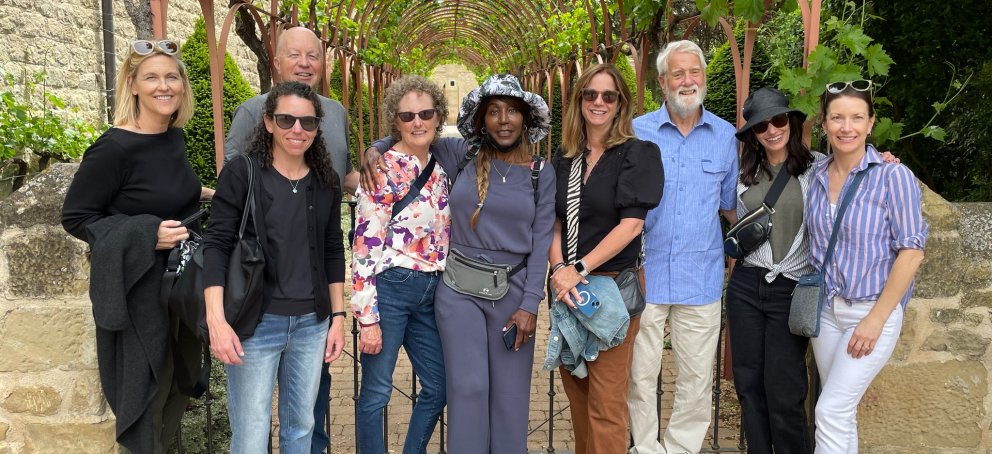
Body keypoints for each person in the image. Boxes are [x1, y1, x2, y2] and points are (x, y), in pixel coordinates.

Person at [361, 73, 555, 453]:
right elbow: (414, 135)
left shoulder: (540, 173)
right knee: (467, 388)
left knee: (510, 396)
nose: (503, 119)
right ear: (481, 120)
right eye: (493, 111)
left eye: (512, 111)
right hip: (458, 292)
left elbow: (541, 240)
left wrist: (530, 303)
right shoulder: (460, 154)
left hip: (513, 294)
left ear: (526, 119)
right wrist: (376, 147)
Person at [61, 38, 210, 453]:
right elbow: (76, 217)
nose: (164, 86)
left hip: (178, 286)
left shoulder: (172, 137)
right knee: (147, 396)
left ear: (182, 85)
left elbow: (165, 189)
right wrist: (148, 234)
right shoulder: (113, 148)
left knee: (178, 387)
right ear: (132, 85)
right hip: (139, 294)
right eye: (151, 78)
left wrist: (217, 193)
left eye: (171, 77)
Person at [223, 26, 356, 453]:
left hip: (313, 298)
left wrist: (378, 157)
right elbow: (234, 187)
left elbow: (342, 177)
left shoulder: (335, 113)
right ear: (276, 61)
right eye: (294, 54)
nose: (304, 62)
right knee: (253, 425)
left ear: (323, 64)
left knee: (306, 417)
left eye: (312, 55)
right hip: (259, 297)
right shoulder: (251, 111)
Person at [627, 39, 739, 454]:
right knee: (640, 374)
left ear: (704, 78)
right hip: (645, 274)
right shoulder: (637, 131)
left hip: (701, 275)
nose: (687, 80)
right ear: (662, 82)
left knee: (695, 378)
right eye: (678, 73)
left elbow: (731, 207)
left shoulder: (726, 136)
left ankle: (680, 449)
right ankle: (645, 447)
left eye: (694, 72)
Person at [548, 63, 663, 454]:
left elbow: (631, 226)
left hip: (612, 287)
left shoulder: (637, 154)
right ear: (579, 101)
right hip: (568, 288)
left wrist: (579, 268)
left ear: (620, 105)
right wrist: (560, 269)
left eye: (608, 96)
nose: (599, 102)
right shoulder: (564, 161)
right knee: (577, 393)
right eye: (590, 95)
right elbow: (554, 223)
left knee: (606, 400)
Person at [807, 80, 927, 453]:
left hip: (871, 311)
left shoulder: (893, 176)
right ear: (824, 124)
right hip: (825, 312)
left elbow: (911, 251)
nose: (847, 127)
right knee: (839, 411)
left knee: (829, 410)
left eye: (857, 118)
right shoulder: (815, 176)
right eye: (837, 118)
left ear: (871, 123)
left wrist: (875, 320)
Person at [351, 75, 449, 454]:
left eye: (425, 113)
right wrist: (368, 318)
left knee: (438, 385)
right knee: (376, 392)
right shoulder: (384, 168)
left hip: (430, 291)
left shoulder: (441, 168)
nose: (417, 122)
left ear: (438, 116)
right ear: (396, 121)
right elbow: (364, 245)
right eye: (407, 116)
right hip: (390, 289)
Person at [726, 87, 820, 454]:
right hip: (747, 285)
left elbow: (859, 165)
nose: (772, 130)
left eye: (778, 120)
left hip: (791, 288)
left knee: (785, 388)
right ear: (752, 134)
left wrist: (883, 156)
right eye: (761, 125)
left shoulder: (818, 167)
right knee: (749, 385)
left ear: (792, 123)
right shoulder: (745, 173)